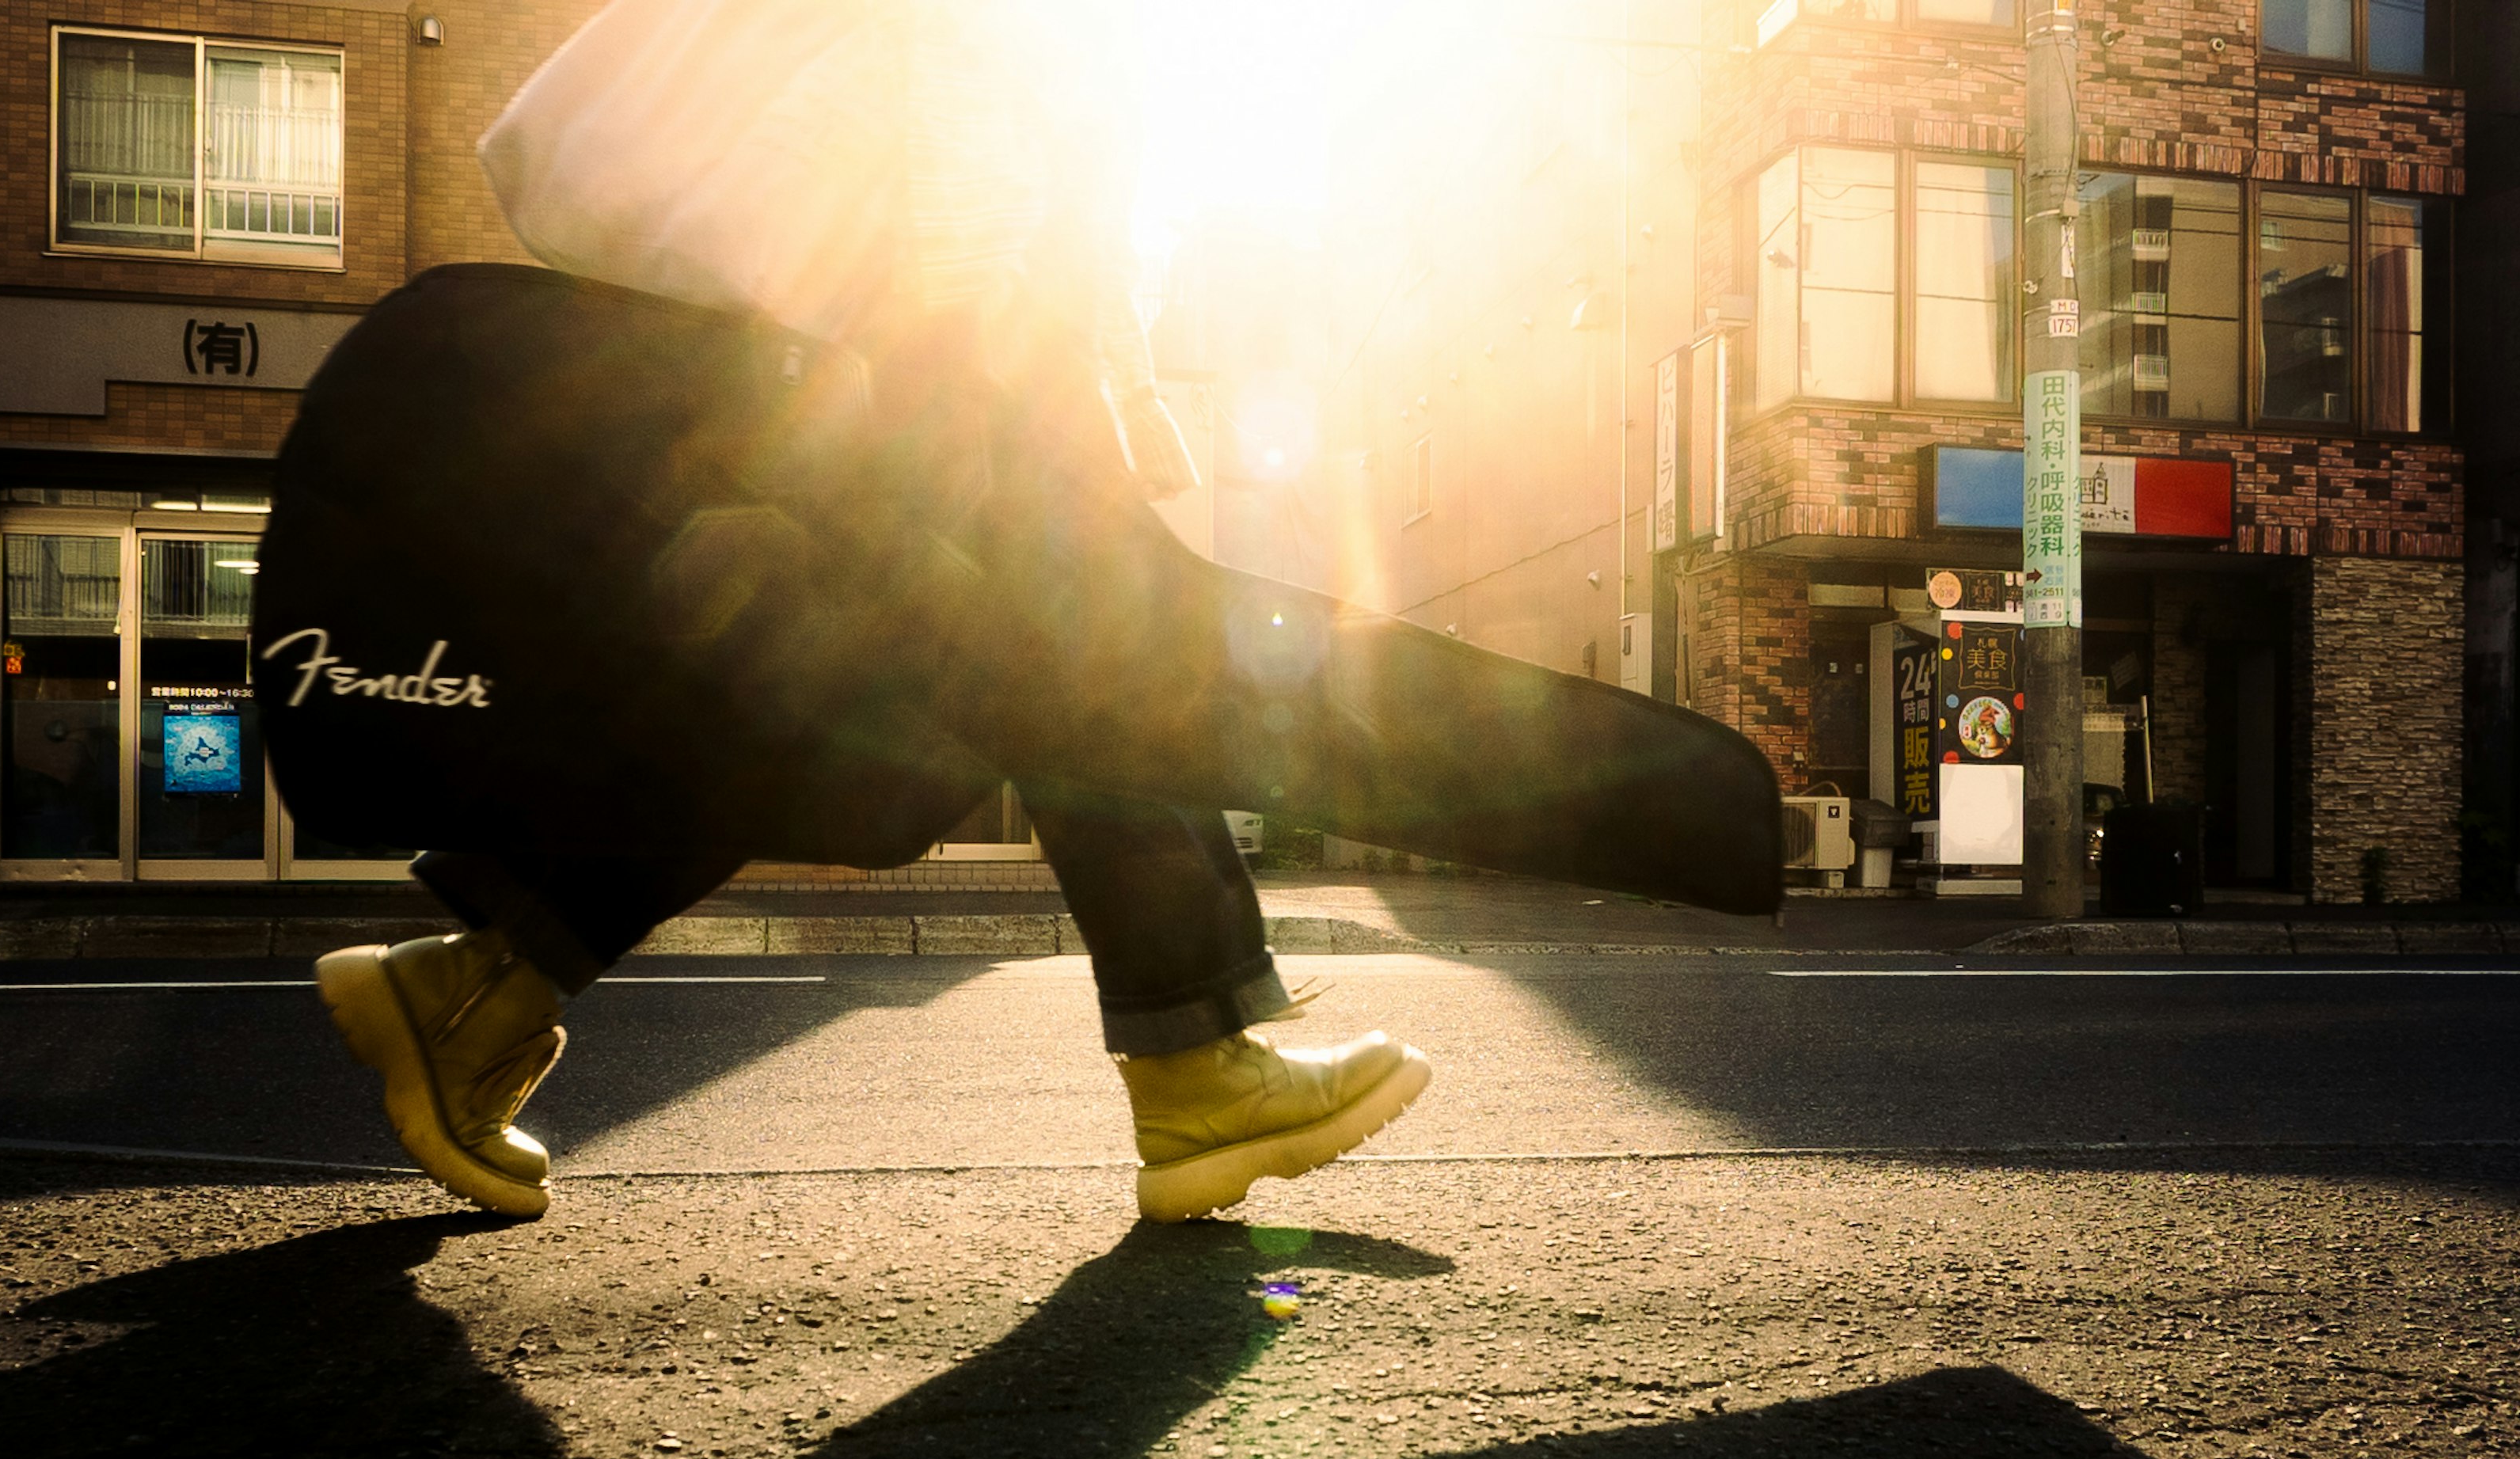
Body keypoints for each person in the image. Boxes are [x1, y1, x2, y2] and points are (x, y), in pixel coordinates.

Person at [259, 2, 1777, 1226]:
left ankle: (481, 989)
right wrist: (1023, 384)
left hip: (868, 336)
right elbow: (978, 105)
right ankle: (1197, 1058)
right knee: (1099, 669)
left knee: (830, 702)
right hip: (909, 334)